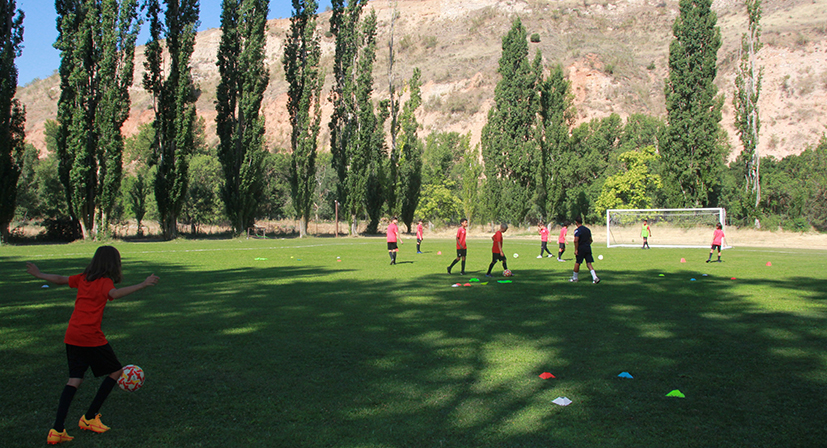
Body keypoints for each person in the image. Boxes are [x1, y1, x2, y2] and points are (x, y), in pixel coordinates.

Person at [26, 246, 160, 445]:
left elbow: (60, 279)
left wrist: (39, 274)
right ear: (114, 263)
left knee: (74, 379)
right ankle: (89, 418)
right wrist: (143, 284)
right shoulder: (105, 281)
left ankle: (57, 429)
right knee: (116, 371)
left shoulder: (84, 277)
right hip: (90, 337)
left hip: (72, 335)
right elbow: (114, 293)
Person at [570, 217, 600, 284]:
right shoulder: (587, 230)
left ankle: (575, 278)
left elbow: (576, 240)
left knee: (578, 262)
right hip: (587, 248)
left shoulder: (577, 230)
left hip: (581, 248)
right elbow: (591, 240)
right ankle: (595, 277)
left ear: (576, 222)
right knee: (589, 263)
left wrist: (576, 250)